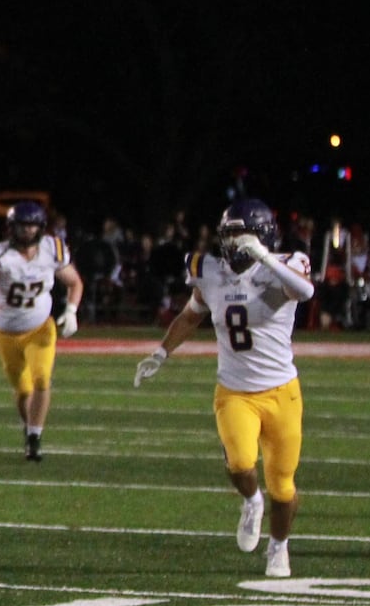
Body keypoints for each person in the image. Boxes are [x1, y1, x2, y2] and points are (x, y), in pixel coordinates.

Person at [133, 197, 314, 578]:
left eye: (240, 234)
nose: (232, 243)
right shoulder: (209, 270)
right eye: (228, 235)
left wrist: (263, 258)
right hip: (233, 390)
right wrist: (161, 353)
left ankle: (279, 546)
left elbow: (306, 292)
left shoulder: (285, 264)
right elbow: (190, 315)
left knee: (283, 488)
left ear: (262, 235)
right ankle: (250, 501)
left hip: (282, 392)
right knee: (239, 464)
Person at [0, 201, 84, 461]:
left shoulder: (52, 250)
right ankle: (29, 428)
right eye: (22, 225)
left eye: (32, 225)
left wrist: (72, 311)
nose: (27, 231)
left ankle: (34, 437)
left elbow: (74, 282)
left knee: (42, 379)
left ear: (40, 228)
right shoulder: (0, 256)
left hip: (40, 328)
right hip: (6, 334)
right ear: (11, 228)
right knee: (23, 391)